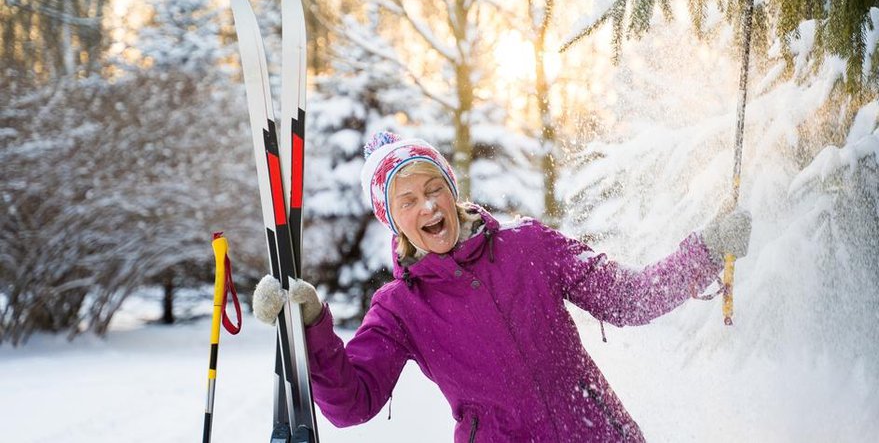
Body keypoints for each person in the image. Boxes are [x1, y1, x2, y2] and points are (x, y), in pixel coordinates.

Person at [253, 131, 751, 442]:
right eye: (407, 201)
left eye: (434, 190)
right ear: (393, 221)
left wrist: (705, 250)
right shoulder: (398, 308)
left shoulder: (529, 245)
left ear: (452, 191)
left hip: (599, 434)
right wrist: (313, 322)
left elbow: (626, 299)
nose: (427, 208)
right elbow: (352, 404)